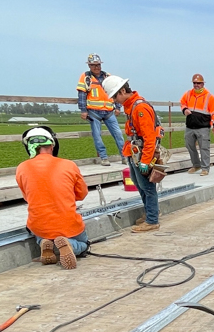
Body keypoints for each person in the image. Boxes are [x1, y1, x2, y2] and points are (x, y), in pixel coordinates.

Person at [14, 127, 90, 269]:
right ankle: (70, 245)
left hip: (40, 225)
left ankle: (43, 242)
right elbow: (82, 194)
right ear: (52, 144)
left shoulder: (21, 168)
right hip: (69, 224)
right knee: (84, 244)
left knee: (37, 229)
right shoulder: (68, 165)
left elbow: (27, 197)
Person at [103, 75, 163, 233]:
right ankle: (151, 212)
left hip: (142, 152)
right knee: (139, 184)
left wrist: (145, 160)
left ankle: (152, 220)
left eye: (115, 96)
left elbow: (149, 137)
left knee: (147, 186)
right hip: (134, 150)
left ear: (123, 91)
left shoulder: (140, 108)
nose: (115, 100)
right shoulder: (131, 106)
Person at [77, 53, 125, 165]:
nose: (97, 67)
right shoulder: (86, 77)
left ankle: (124, 156)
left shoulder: (107, 76)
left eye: (98, 65)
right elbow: (82, 94)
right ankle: (104, 158)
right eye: (94, 65)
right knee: (97, 135)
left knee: (118, 134)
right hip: (94, 111)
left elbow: (116, 91)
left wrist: (117, 107)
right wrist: (83, 110)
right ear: (89, 66)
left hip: (109, 110)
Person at [180, 73, 214, 175]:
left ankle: (205, 168)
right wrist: (185, 110)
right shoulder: (188, 94)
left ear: (203, 84)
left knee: (204, 148)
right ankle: (196, 165)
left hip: (203, 127)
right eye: (194, 83)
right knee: (190, 146)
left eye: (198, 83)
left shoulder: (209, 97)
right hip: (190, 126)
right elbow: (182, 103)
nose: (196, 85)